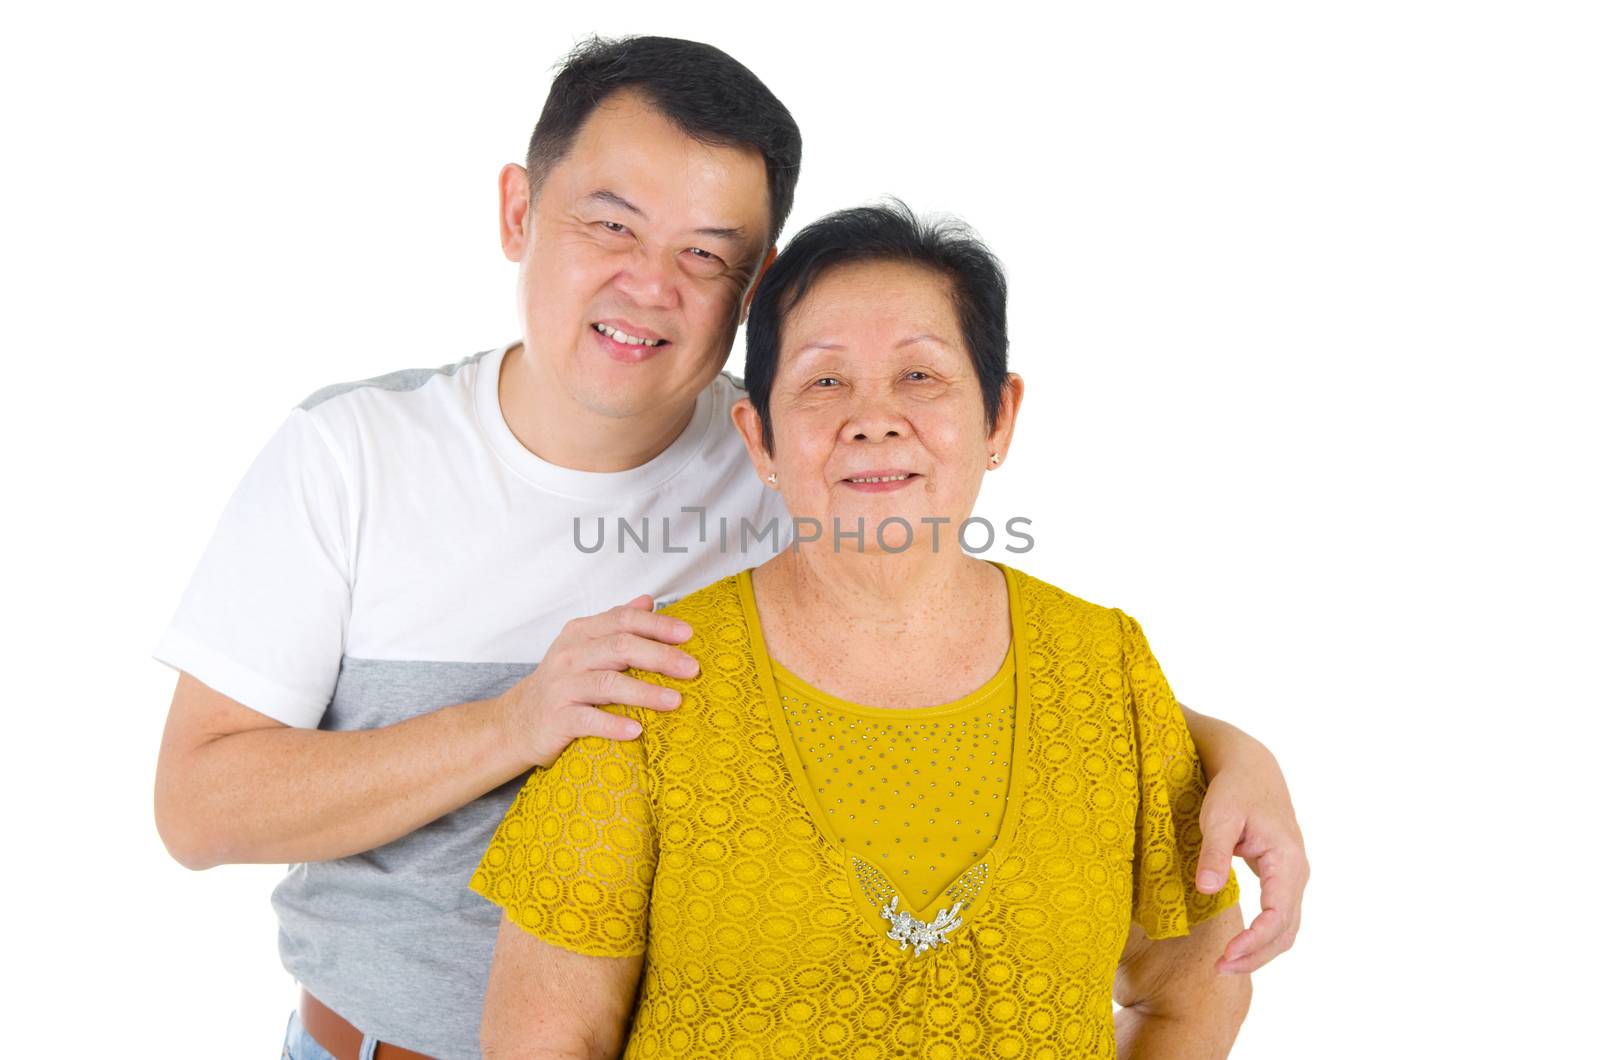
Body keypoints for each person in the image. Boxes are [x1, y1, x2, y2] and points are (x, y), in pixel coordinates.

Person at [153, 36, 1304, 1060]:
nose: (650, 285)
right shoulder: (353, 453)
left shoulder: (798, 456)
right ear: (518, 212)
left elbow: (987, 659)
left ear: (751, 291)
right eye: (609, 224)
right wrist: (513, 721)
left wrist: (1226, 753)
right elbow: (196, 808)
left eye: (709, 256)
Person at [474, 202, 1254, 1059]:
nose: (874, 417)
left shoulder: (1105, 666)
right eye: (824, 381)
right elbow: (548, 1037)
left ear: (999, 418)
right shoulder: (649, 684)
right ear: (759, 439)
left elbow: (1193, 991)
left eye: (921, 377)